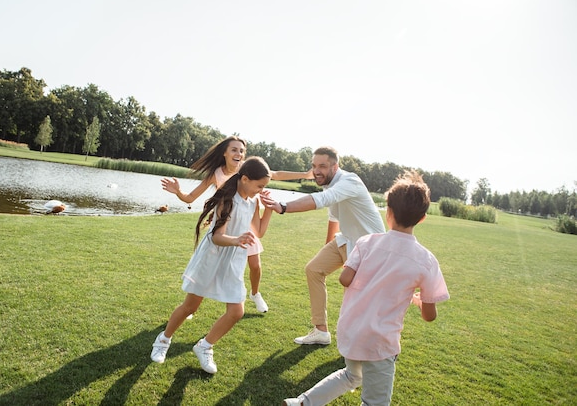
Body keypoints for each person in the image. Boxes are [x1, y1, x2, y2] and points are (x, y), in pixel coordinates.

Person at [282, 170, 450, 406]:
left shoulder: (366, 242)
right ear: (422, 218)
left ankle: (302, 402)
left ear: (388, 212)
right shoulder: (426, 260)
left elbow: (345, 279)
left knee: (352, 375)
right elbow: (429, 315)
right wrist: (420, 300)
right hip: (380, 341)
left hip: (351, 330)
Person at [151, 156, 278, 374]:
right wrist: (236, 240)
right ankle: (163, 340)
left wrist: (268, 209)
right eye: (260, 186)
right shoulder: (227, 200)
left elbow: (259, 233)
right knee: (190, 306)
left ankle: (205, 346)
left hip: (233, 262)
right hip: (212, 256)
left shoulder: (253, 201)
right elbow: (217, 237)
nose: (261, 190)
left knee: (237, 311)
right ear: (245, 179)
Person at [161, 135, 312, 313]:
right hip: (225, 226)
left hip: (247, 223)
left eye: (241, 151)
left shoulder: (248, 170)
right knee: (209, 269)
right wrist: (178, 191)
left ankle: (255, 294)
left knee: (255, 265)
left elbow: (276, 174)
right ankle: (191, 306)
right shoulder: (216, 174)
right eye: (234, 150)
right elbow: (190, 197)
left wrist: (305, 175)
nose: (238, 153)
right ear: (224, 153)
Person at [264, 146, 386, 345]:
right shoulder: (329, 184)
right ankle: (321, 331)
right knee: (314, 269)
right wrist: (326, 247)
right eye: (313, 166)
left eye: (322, 166)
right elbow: (333, 217)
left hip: (369, 248)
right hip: (346, 240)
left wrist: (284, 207)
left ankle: (369, 342)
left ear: (335, 167)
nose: (316, 171)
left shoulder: (349, 181)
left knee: (358, 296)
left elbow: (322, 200)